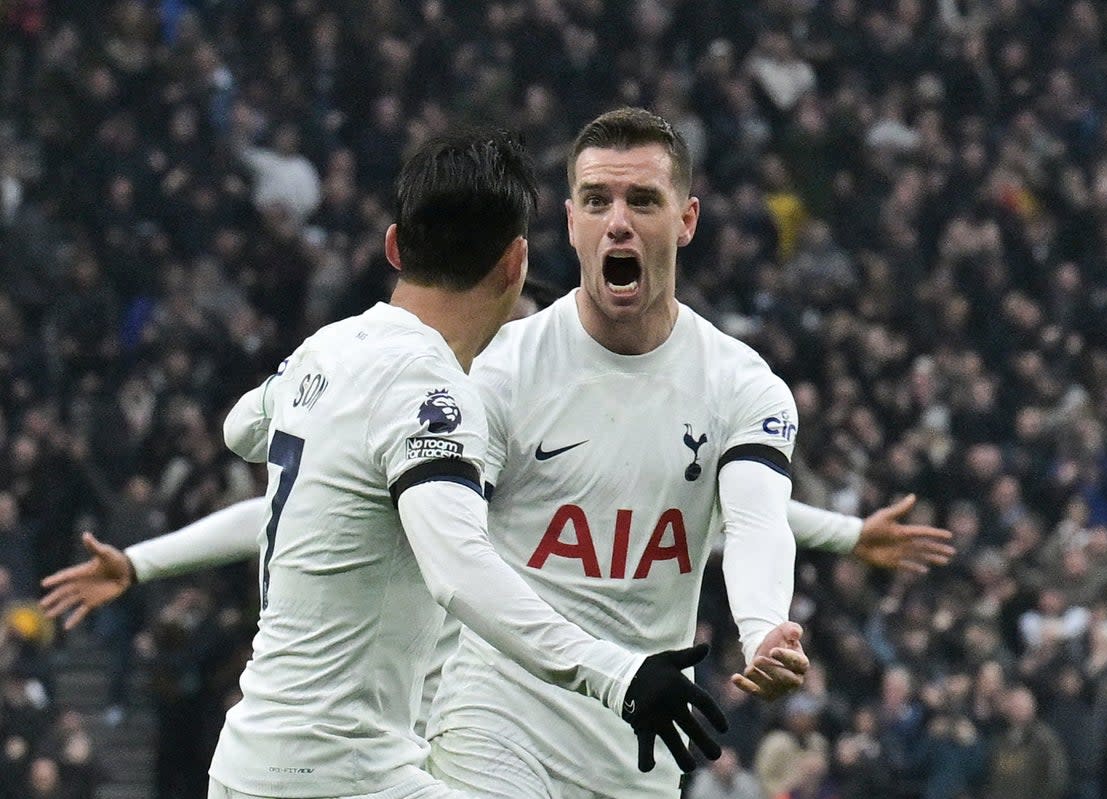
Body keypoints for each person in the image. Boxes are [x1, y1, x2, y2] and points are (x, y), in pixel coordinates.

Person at [44, 110, 953, 798]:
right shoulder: (487, 376)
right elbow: (438, 548)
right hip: (490, 724)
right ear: (552, 234)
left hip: (636, 734)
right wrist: (145, 559)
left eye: (642, 200)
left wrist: (767, 619)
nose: (618, 222)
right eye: (597, 201)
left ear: (688, 219)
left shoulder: (739, 384)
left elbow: (749, 514)